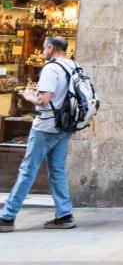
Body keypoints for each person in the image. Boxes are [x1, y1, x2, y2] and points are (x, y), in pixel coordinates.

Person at [0, 37, 77, 232]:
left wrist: (29, 96)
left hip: (46, 126)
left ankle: (7, 216)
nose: (43, 51)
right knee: (57, 169)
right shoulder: (73, 65)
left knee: (28, 170)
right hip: (64, 126)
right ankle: (64, 215)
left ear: (50, 48)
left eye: (44, 48)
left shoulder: (51, 69)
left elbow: (43, 100)